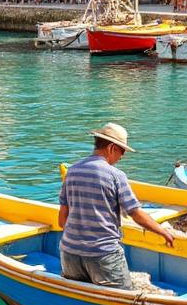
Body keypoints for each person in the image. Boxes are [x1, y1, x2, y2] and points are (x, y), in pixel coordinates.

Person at [58, 123, 175, 289]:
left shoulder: (72, 171)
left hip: (69, 253)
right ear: (112, 148)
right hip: (103, 254)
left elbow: (62, 220)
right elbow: (135, 213)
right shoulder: (115, 175)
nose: (123, 156)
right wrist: (163, 232)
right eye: (123, 151)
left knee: (82, 296)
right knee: (124, 297)